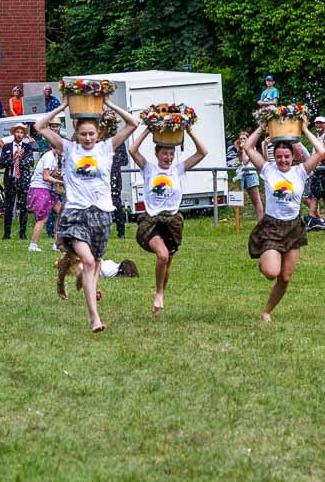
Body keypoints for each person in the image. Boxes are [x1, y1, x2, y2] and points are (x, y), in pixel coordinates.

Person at [35, 99, 139, 332]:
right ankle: (95, 318)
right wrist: (64, 106)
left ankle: (62, 279)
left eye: (92, 133)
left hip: (102, 216)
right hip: (76, 214)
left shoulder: (106, 148)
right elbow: (39, 127)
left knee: (90, 262)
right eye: (83, 134)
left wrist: (110, 103)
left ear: (98, 133)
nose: (88, 138)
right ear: (77, 134)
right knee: (88, 261)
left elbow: (133, 123)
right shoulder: (69, 149)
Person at [241, 117, 325, 322]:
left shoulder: (300, 171)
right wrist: (262, 126)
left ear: (293, 156)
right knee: (271, 272)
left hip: (293, 227)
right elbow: (248, 147)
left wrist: (304, 129)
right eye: (279, 157)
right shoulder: (268, 170)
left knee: (285, 277)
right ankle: (265, 260)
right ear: (274, 157)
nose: (283, 160)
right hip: (271, 226)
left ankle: (267, 311)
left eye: (286, 156)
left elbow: (321, 152)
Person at [127, 123, 208, 317]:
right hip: (152, 222)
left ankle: (159, 292)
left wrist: (188, 130)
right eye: (164, 153)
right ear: (157, 154)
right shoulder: (149, 169)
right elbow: (132, 150)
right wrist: (148, 128)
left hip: (172, 222)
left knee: (167, 263)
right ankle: (160, 294)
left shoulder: (178, 170)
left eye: (171, 154)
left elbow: (202, 152)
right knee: (162, 256)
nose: (168, 158)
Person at [0, 123, 37, 240]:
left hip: (23, 180)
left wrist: (20, 159)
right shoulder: (7, 147)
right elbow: (2, 164)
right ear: (14, 133)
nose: (19, 134)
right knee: (9, 207)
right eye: (17, 132)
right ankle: (6, 233)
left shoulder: (28, 147)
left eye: (21, 133)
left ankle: (22, 233)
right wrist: (13, 158)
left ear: (24, 135)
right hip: (10, 179)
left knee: (23, 207)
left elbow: (30, 163)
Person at [26, 145, 61, 252]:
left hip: (46, 189)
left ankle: (57, 243)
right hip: (39, 188)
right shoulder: (49, 156)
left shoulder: (54, 157)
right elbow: (45, 177)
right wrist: (60, 182)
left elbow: (54, 173)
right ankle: (33, 245)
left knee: (61, 211)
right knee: (43, 218)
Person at [234, 130, 264, 221]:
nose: (242, 140)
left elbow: (245, 161)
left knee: (257, 200)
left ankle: (260, 221)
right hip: (245, 175)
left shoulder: (251, 148)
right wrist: (239, 148)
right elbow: (240, 161)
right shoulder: (242, 149)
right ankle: (259, 220)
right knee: (253, 201)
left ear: (248, 139)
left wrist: (243, 149)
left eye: (244, 138)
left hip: (251, 174)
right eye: (241, 139)